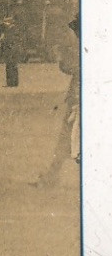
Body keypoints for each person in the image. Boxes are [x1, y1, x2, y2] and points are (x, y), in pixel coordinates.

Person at [33, 16, 80, 187]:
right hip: (79, 98)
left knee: (68, 137)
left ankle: (52, 177)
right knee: (67, 139)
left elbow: (72, 66)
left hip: (79, 99)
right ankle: (51, 175)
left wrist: (61, 56)